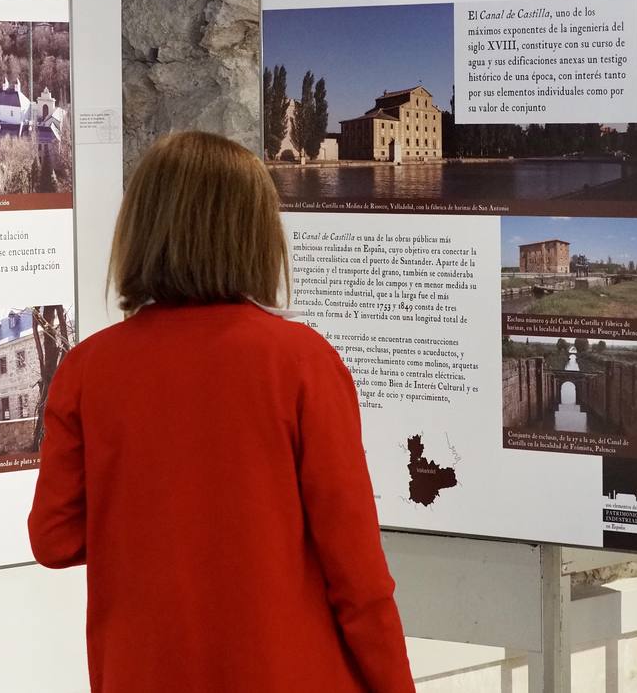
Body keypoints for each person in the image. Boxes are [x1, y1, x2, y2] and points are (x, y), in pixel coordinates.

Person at [29, 131, 415, 693]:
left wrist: (156, 529)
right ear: (254, 235)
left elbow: (54, 539)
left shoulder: (88, 370)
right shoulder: (302, 362)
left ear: (139, 230)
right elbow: (356, 574)